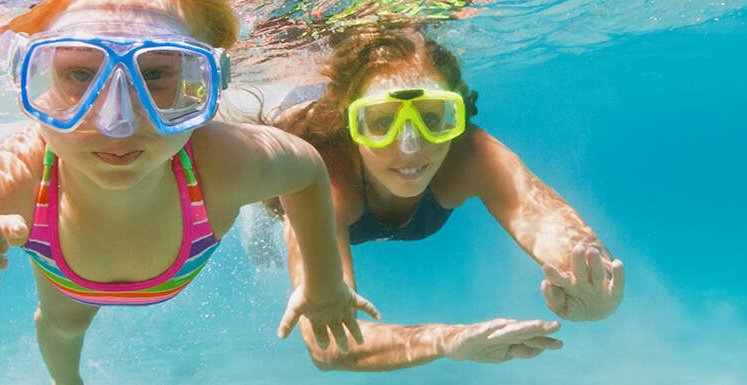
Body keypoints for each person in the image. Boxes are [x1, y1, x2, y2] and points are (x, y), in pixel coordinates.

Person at [0, 1, 379, 383]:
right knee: (64, 325)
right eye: (80, 75)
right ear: (31, 78)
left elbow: (308, 170)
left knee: (66, 319)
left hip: (116, 265)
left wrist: (323, 282)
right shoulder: (12, 175)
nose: (117, 122)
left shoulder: (221, 161)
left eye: (155, 75)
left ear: (202, 84)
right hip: (69, 287)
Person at [258, 22, 629, 371]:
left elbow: (553, 228)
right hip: (298, 142)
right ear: (350, 127)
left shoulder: (469, 155)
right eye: (382, 121)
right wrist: (445, 340)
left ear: (458, 116)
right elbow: (328, 345)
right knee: (263, 243)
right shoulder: (322, 178)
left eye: (433, 118)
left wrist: (599, 292)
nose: (409, 146)